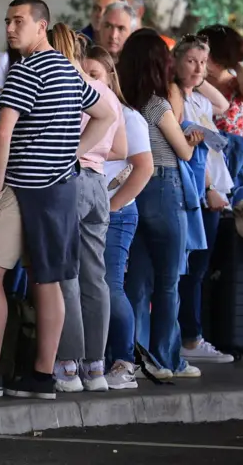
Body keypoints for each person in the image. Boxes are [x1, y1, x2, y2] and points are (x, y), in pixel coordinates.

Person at [0, 0, 115, 400]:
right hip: (60, 188)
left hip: (21, 186)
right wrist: (71, 151)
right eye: (7, 21)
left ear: (42, 26)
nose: (10, 28)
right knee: (47, 280)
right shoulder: (70, 72)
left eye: (19, 21)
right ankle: (41, 376)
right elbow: (107, 113)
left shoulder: (26, 70)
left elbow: (3, 134)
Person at [118, 30, 204, 380]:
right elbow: (181, 151)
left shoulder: (123, 101)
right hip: (164, 186)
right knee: (168, 281)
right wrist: (193, 139)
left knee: (136, 280)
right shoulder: (157, 104)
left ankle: (136, 357)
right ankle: (169, 360)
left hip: (131, 186)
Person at [49, 24, 126, 394]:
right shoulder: (107, 95)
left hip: (71, 177)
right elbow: (119, 148)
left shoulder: (70, 86)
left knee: (67, 276)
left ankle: (67, 366)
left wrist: (76, 150)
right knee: (95, 277)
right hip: (97, 182)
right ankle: (95, 366)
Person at [81, 45, 151, 390]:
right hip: (88, 210)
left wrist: (112, 206)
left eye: (94, 75)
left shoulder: (127, 116)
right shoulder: (79, 111)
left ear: (110, 77)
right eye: (84, 75)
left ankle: (124, 360)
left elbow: (144, 168)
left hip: (116, 212)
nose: (88, 82)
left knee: (110, 286)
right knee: (90, 287)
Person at [172, 33, 233, 366]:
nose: (198, 68)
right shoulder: (174, 98)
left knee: (199, 266)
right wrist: (209, 188)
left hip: (213, 190)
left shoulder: (201, 100)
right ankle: (189, 337)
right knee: (191, 269)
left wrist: (198, 77)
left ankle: (191, 334)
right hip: (197, 190)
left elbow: (223, 105)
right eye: (190, 61)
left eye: (203, 62)